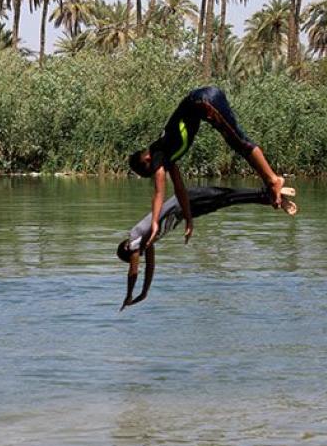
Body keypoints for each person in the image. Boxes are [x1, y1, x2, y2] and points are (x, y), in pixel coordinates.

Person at [129, 86, 290, 247]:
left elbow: (159, 193)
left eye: (150, 171)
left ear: (147, 160)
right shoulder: (167, 157)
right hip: (205, 99)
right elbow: (180, 191)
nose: (157, 172)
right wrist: (189, 219)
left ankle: (272, 180)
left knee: (240, 142)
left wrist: (155, 223)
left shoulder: (157, 154)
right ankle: (270, 187)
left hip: (203, 100)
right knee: (237, 142)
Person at [117, 186, 297, 311]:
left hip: (188, 198)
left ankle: (268, 192)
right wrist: (144, 292)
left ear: (127, 247)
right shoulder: (147, 241)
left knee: (226, 196)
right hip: (189, 209)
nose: (137, 257)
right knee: (226, 200)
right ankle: (268, 197)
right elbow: (150, 266)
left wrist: (129, 295)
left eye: (134, 256)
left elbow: (134, 271)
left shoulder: (134, 237)